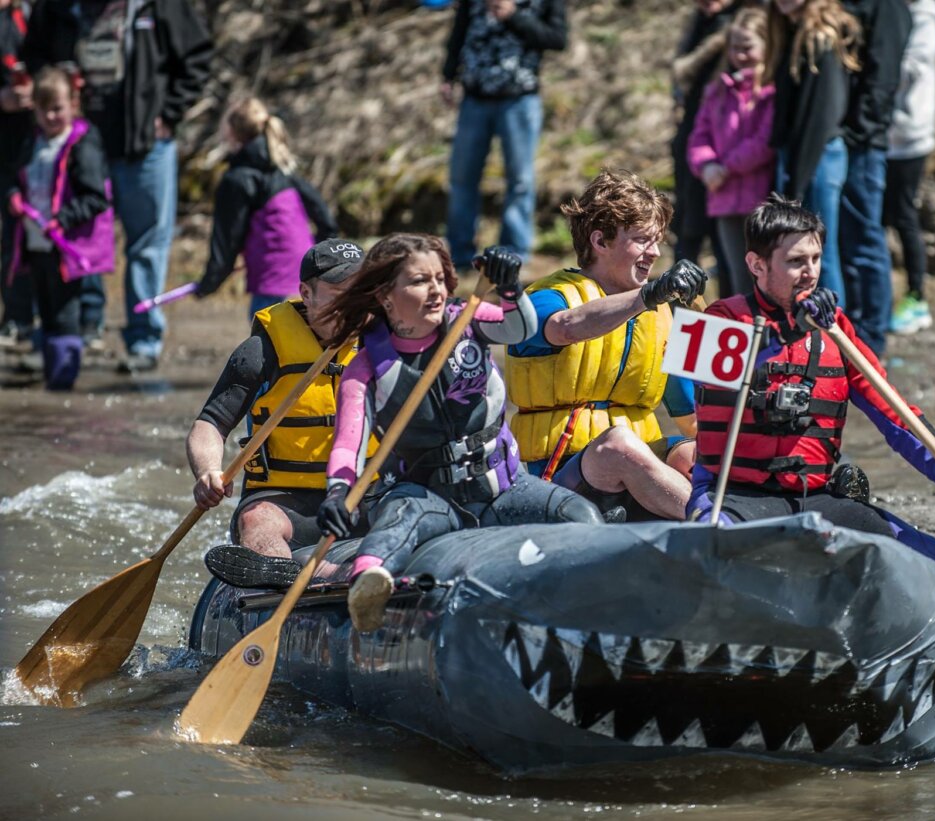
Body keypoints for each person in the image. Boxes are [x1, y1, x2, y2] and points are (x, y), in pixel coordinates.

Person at [687, 195, 935, 697]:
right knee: (704, 548)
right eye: (795, 262)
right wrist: (782, 333)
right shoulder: (720, 319)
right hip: (736, 497)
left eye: (815, 259)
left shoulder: (837, 331)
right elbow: (696, 393)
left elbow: (897, 418)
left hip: (815, 498)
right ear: (755, 264)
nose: (809, 272)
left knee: (932, 556)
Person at [313, 236, 604, 632]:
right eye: (418, 281)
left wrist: (509, 288)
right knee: (392, 528)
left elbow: (520, 328)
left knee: (582, 516)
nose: (434, 290)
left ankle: (584, 610)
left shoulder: (469, 321)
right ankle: (367, 595)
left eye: (439, 278)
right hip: (429, 497)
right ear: (384, 295)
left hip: (505, 488)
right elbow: (349, 445)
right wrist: (336, 494)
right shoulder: (365, 369)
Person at [505, 169, 707, 521]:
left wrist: (709, 321)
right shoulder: (544, 299)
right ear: (600, 241)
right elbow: (566, 328)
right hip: (559, 481)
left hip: (641, 469)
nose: (655, 253)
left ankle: (734, 520)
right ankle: (713, 523)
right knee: (619, 446)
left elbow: (695, 419)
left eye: (658, 241)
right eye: (643, 240)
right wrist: (648, 296)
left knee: (697, 455)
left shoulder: (660, 316)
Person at [24, 0, 213, 373]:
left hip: (144, 144)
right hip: (76, 143)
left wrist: (169, 113)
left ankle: (144, 340)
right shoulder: (57, 9)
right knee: (72, 235)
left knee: (146, 245)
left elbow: (197, 55)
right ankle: (72, 331)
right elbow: (34, 56)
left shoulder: (159, 7)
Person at [187, 239, 371, 590]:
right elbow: (209, 424)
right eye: (338, 292)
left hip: (364, 494)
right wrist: (208, 471)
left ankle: (339, 576)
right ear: (307, 292)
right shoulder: (262, 351)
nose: (352, 304)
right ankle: (286, 576)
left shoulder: (382, 343)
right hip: (285, 499)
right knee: (259, 521)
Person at [4, 66, 113, 390]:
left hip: (67, 248)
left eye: (58, 109)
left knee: (66, 314)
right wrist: (11, 195)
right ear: (34, 109)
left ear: (72, 105)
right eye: (44, 109)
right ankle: (54, 378)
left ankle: (65, 380)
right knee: (47, 311)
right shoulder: (33, 142)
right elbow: (12, 175)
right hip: (37, 244)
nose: (52, 116)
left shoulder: (83, 143)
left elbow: (96, 197)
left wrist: (62, 219)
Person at [440, 0, 566, 270]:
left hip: (519, 100)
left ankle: (513, 255)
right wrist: (448, 74)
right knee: (462, 177)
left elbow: (557, 38)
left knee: (520, 179)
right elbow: (459, 30)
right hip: (474, 98)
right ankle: (459, 255)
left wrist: (513, 16)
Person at [194, 97, 338, 318]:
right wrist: (319, 257)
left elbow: (227, 240)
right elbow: (325, 219)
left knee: (268, 343)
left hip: (273, 278)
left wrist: (209, 282)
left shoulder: (237, 179)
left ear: (231, 132)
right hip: (307, 272)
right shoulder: (283, 169)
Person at [767, 0, 860, 307]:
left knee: (820, 252)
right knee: (800, 249)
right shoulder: (791, 32)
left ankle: (835, 335)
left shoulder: (822, 37)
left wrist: (797, 178)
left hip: (818, 156)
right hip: (799, 155)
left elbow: (822, 117)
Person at [838, 0, 910, 357]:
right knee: (849, 239)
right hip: (852, 138)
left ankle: (873, 336)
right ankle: (858, 329)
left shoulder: (888, 7)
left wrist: (857, 131)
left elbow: (883, 77)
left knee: (865, 238)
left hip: (864, 144)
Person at [686, 5, 775, 298]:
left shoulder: (771, 91)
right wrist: (707, 165)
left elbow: (765, 140)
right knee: (735, 274)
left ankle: (767, 338)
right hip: (722, 198)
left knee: (762, 277)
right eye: (734, 48)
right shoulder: (717, 90)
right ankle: (745, 337)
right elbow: (699, 135)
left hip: (758, 198)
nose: (740, 55)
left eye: (747, 47)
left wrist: (727, 166)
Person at [670, 0, 739, 291]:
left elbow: (684, 69)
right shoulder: (699, 21)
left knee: (725, 238)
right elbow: (679, 75)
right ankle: (676, 304)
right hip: (694, 135)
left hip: (727, 141)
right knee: (687, 225)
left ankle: (728, 312)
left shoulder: (741, 23)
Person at [885, 0, 935, 335]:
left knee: (904, 214)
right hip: (888, 134)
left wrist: (877, 66)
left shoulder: (925, 15)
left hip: (909, 135)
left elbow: (915, 65)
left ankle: (917, 297)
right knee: (881, 218)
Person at [0, 0, 36, 348]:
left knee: (30, 234)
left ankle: (26, 317)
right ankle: (15, 316)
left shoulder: (39, 15)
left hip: (36, 142)